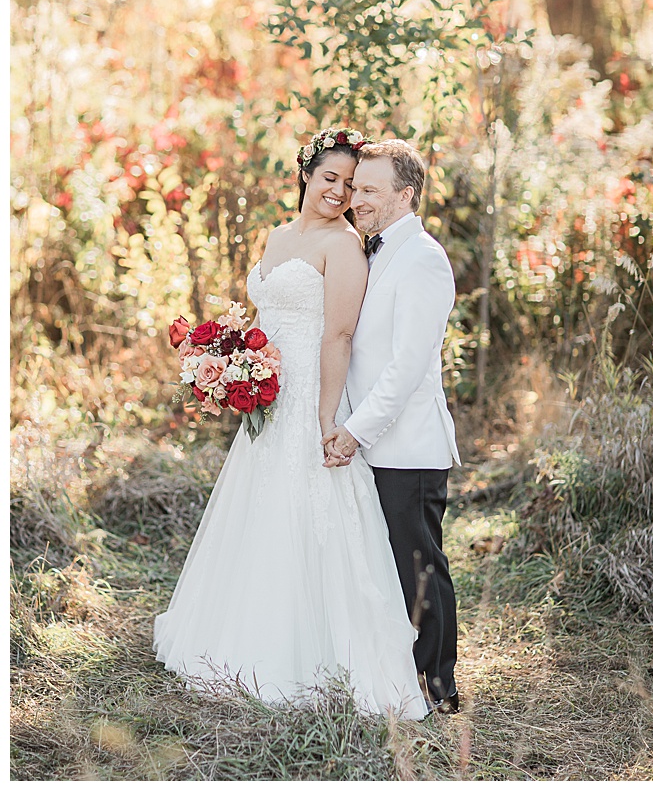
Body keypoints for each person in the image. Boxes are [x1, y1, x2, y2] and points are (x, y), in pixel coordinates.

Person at [154, 128, 428, 720]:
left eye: (351, 185)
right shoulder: (278, 236)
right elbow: (265, 316)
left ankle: (307, 655)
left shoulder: (345, 245)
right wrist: (232, 364)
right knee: (257, 510)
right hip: (270, 396)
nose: (340, 193)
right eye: (331, 178)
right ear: (306, 174)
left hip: (311, 397)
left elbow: (339, 334)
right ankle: (237, 634)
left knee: (308, 511)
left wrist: (326, 416)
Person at [322, 138, 463, 713]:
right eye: (356, 188)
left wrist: (355, 430)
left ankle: (439, 687)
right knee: (385, 568)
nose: (356, 198)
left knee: (419, 568)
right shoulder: (372, 252)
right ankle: (398, 676)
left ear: (406, 195)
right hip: (372, 445)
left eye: (370, 190)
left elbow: (407, 367)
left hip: (408, 446)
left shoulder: (424, 259)